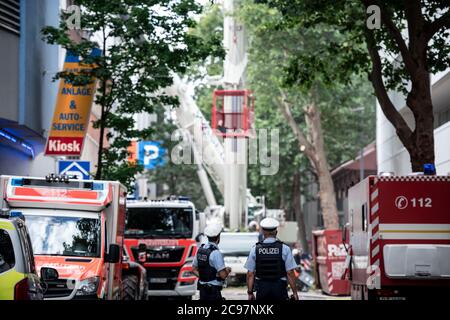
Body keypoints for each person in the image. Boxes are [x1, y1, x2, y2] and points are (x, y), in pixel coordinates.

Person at [244, 217, 299, 301]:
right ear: (276, 232)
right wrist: (294, 292)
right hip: (280, 289)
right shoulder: (285, 249)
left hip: (262, 289)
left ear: (263, 232)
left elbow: (250, 273)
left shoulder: (255, 249)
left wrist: (250, 293)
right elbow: (290, 272)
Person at [192, 223, 231, 301]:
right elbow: (223, 275)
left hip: (202, 291)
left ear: (207, 237)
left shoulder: (200, 250)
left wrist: (204, 277)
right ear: (218, 237)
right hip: (213, 292)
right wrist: (228, 270)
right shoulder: (216, 253)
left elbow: (193, 269)